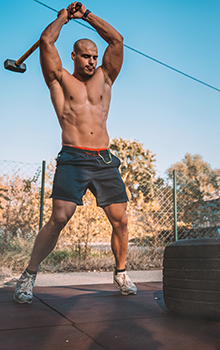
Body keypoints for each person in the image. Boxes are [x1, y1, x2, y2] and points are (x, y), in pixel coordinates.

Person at [14, 2, 137, 304]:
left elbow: (117, 40)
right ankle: (29, 275)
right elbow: (46, 42)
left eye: (95, 56)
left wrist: (87, 16)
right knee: (59, 218)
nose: (92, 61)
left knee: (120, 220)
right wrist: (63, 18)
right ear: (73, 56)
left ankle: (120, 272)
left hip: (104, 159)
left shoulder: (105, 78)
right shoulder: (59, 79)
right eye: (86, 55)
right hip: (73, 157)